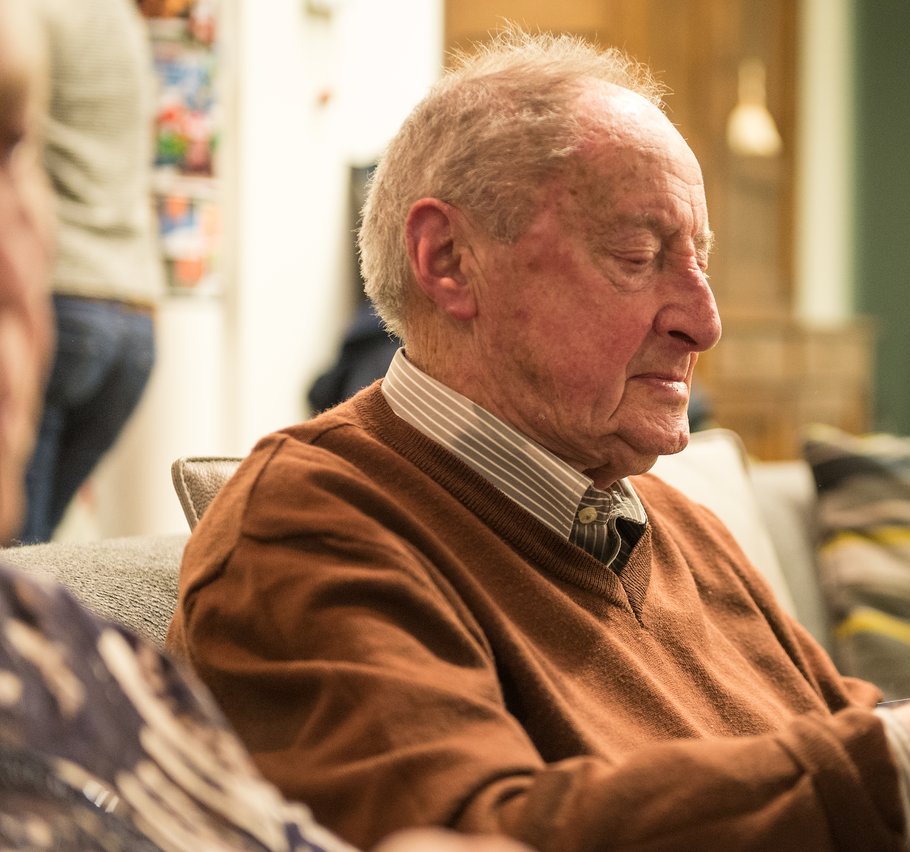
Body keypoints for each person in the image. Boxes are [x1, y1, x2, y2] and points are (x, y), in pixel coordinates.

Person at [167, 27, 910, 852]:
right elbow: (473, 834)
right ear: (449, 262)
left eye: (697, 261)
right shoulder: (307, 528)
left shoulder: (672, 527)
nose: (703, 318)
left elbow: (866, 782)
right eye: (639, 254)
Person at [1, 3, 525, 849]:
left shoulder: (86, 663)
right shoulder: (112, 27)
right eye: (636, 255)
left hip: (90, 305)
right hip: (129, 304)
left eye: (9, 149)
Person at [15, 0, 164, 543]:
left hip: (57, 304)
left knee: (16, 555)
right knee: (31, 556)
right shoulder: (118, 18)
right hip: (133, 320)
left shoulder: (24, 17)